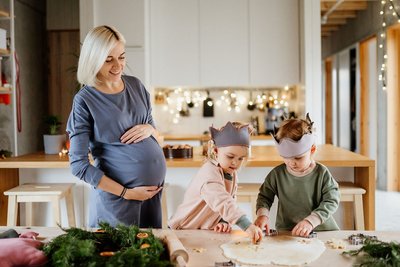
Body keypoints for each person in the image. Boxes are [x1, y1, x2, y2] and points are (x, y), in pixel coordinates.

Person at [66, 25, 166, 228]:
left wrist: (151, 130)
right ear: (93, 60)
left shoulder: (137, 86)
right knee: (118, 257)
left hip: (151, 197)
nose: (118, 66)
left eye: (121, 57)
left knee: (149, 256)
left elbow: (158, 137)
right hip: (118, 200)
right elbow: (78, 166)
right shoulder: (84, 101)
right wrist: (127, 193)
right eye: (108, 59)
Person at [168, 121, 263, 244]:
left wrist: (223, 221)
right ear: (216, 151)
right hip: (182, 231)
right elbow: (222, 201)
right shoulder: (209, 173)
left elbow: (230, 200)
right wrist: (247, 225)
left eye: (241, 158)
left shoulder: (231, 173)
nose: (235, 163)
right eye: (230, 156)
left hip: (202, 231)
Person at [254, 113, 340, 237]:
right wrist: (262, 215)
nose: (291, 163)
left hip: (321, 231)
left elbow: (332, 200)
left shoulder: (322, 173)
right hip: (288, 232)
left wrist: (311, 221)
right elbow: (264, 197)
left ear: (312, 150)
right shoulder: (276, 174)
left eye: (298, 158)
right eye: (285, 158)